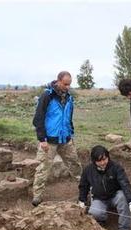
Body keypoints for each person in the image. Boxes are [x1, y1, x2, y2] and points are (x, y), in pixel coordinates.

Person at [31, 71, 82, 206]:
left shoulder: (69, 97)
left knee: (76, 166)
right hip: (49, 140)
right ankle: (37, 196)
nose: (67, 87)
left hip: (66, 139)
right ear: (58, 81)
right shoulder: (47, 96)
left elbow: (69, 118)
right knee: (43, 168)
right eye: (65, 84)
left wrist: (71, 134)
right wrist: (42, 139)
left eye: (69, 84)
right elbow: (38, 119)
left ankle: (85, 192)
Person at [78, 145, 131, 230]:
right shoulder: (88, 170)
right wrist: (81, 200)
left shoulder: (116, 167)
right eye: (99, 161)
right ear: (94, 161)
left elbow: (124, 183)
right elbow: (83, 186)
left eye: (104, 159)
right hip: (99, 198)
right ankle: (102, 221)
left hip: (115, 195)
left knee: (123, 198)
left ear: (108, 157)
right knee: (94, 212)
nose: (103, 163)